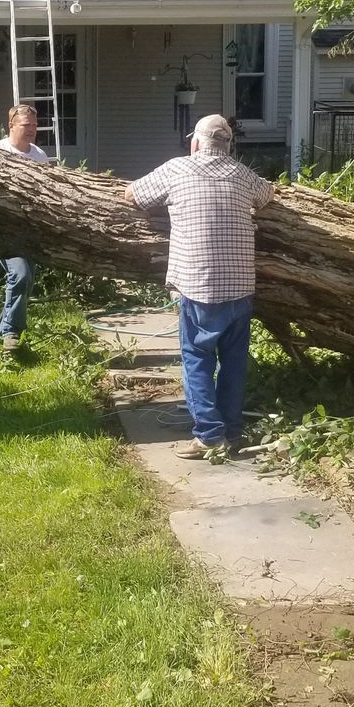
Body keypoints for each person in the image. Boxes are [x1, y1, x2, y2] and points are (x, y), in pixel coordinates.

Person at [124, 114, 273, 456]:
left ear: (195, 143)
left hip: (200, 285)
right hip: (240, 286)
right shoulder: (241, 173)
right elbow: (269, 195)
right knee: (234, 362)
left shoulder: (178, 168)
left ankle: (209, 435)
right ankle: (232, 431)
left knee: (197, 359)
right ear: (228, 145)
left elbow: (132, 194)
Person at [0, 103, 51, 353]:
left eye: (35, 126)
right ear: (11, 126)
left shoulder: (39, 156)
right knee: (21, 275)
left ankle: (1, 332)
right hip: (3, 229)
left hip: (30, 230)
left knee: (25, 281)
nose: (32, 131)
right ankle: (10, 334)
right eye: (26, 126)